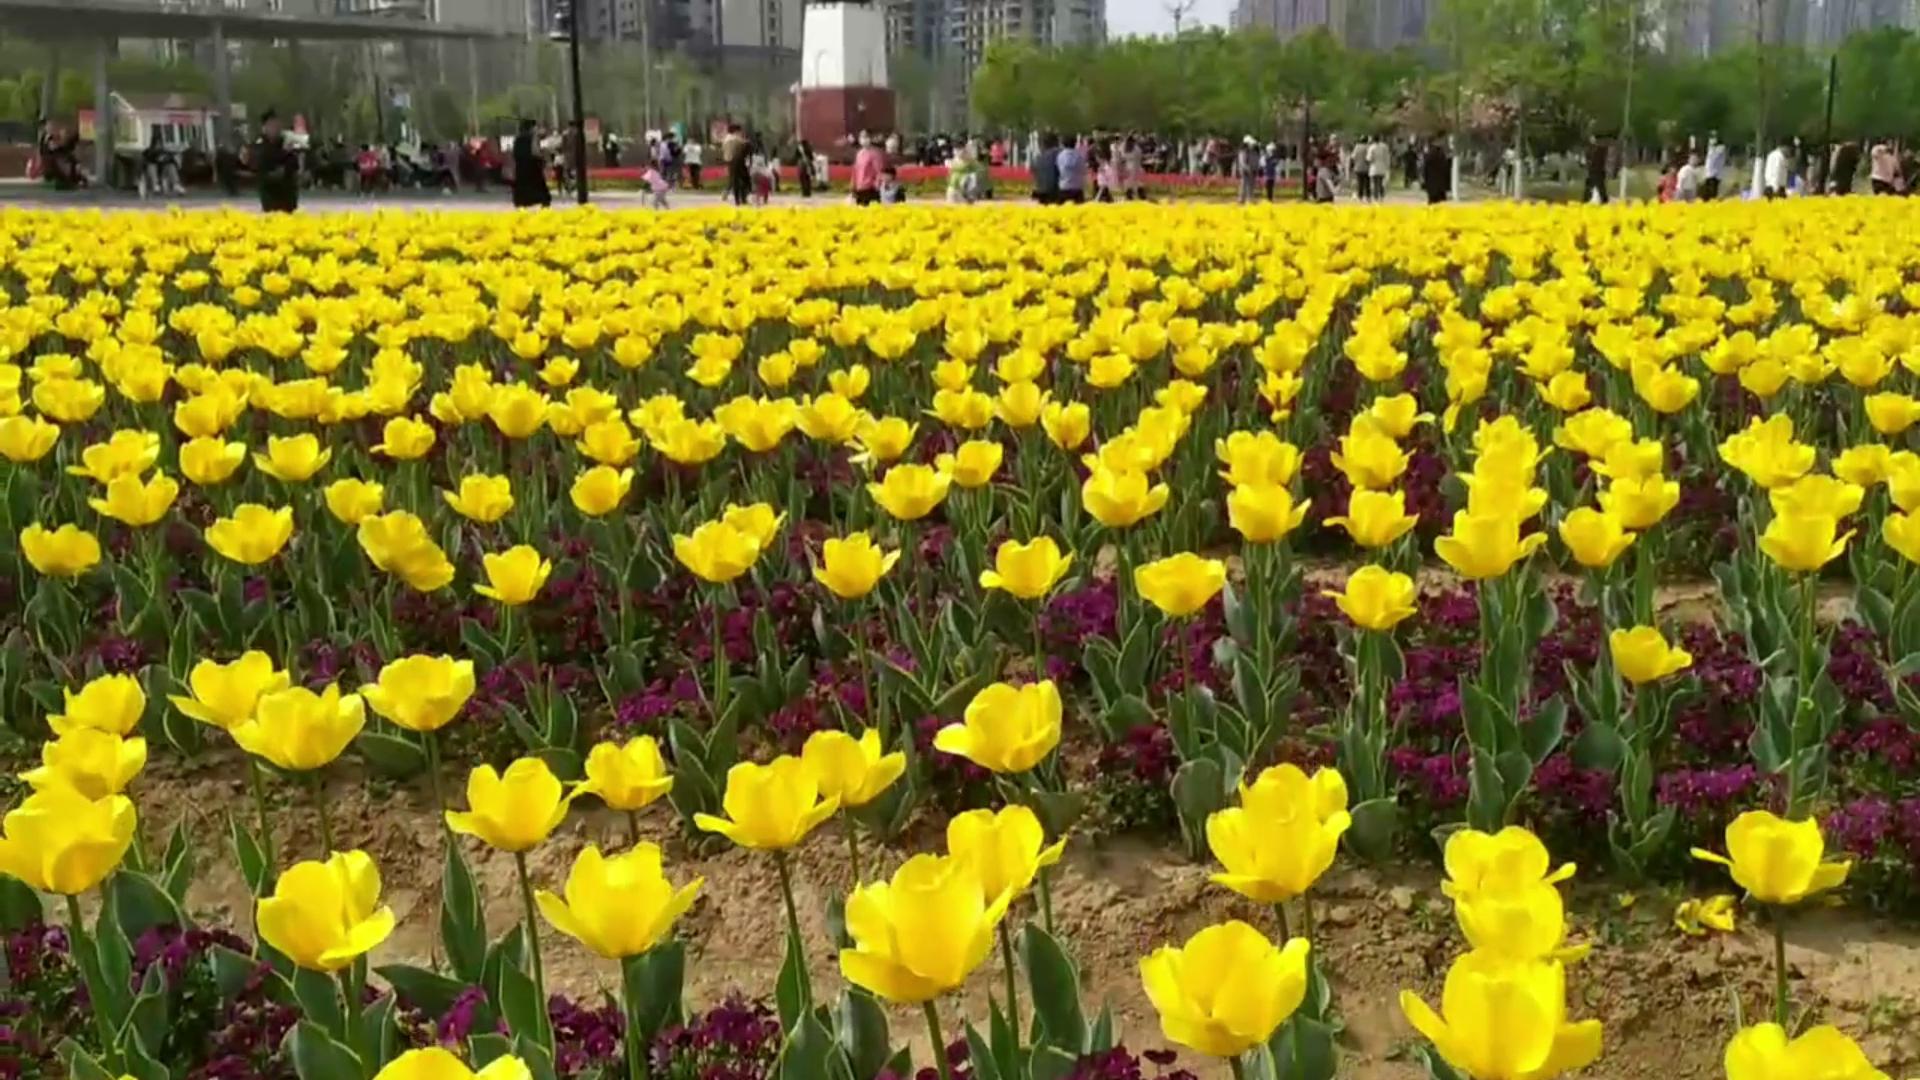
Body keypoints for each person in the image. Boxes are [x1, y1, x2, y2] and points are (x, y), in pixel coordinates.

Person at [252, 110, 300, 213]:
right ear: (264, 128)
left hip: (288, 193)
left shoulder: (286, 142)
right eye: (272, 125)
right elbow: (262, 163)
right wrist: (284, 153)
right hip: (269, 193)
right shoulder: (259, 144)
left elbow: (294, 164)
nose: (276, 128)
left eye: (277, 125)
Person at [511, 118, 551, 208]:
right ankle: (543, 204)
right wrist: (542, 159)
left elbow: (514, 153)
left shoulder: (518, 138)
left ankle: (522, 204)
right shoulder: (532, 137)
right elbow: (535, 151)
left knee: (522, 188)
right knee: (538, 187)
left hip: (521, 167)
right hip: (532, 166)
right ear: (531, 128)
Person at [140, 132, 181, 198]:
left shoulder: (165, 151)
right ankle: (156, 184)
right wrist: (156, 159)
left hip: (163, 172)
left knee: (171, 166)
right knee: (151, 166)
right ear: (153, 144)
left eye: (160, 144)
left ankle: (176, 184)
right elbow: (145, 163)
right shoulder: (147, 151)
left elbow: (174, 163)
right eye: (157, 144)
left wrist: (167, 158)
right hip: (152, 172)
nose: (158, 146)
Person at [852, 134, 886, 206]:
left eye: (866, 137)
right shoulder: (859, 153)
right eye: (862, 137)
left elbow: (879, 171)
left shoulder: (875, 153)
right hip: (860, 187)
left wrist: (877, 185)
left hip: (870, 188)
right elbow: (856, 170)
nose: (864, 140)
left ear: (871, 139)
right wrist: (853, 184)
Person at [721, 124, 750, 207]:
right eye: (739, 131)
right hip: (736, 161)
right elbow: (744, 144)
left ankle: (735, 197)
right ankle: (741, 199)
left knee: (733, 180)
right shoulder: (734, 139)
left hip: (729, 161)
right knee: (741, 180)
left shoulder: (726, 139)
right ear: (736, 131)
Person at [1420, 137, 1451, 205]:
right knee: (1440, 203)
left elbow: (1425, 169)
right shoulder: (1442, 154)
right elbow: (1446, 169)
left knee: (1432, 202)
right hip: (1440, 184)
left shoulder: (1429, 155)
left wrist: (1424, 179)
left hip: (1431, 183)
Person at [1031, 133, 1060, 204]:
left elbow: (1033, 171)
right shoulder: (1058, 154)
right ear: (1056, 143)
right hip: (1054, 191)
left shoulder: (1038, 158)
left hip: (1040, 190)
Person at [1057, 135, 1086, 204]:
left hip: (1064, 187)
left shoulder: (1060, 156)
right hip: (1077, 188)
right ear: (1075, 144)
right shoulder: (1079, 156)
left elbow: (1059, 170)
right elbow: (1083, 170)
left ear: (1063, 144)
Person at [1584, 136, 1610, 204]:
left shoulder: (1601, 148)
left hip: (1598, 170)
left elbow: (1603, 159)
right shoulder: (1589, 148)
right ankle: (1586, 200)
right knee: (1591, 186)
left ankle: (1604, 201)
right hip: (1593, 170)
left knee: (1600, 187)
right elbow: (1587, 158)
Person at [1702, 133, 1726, 200]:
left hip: (1715, 174)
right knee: (1707, 193)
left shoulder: (1720, 148)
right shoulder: (1711, 148)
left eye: (1713, 137)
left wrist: (1712, 149)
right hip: (1709, 174)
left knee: (1712, 193)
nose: (1711, 140)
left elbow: (1714, 158)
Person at [1235, 136, 1259, 204]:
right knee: (1244, 184)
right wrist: (1247, 168)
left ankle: (1250, 198)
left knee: (1252, 185)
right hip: (1245, 171)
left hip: (1252, 170)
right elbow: (1242, 162)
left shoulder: (1254, 152)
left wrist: (1255, 168)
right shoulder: (1243, 152)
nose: (1252, 145)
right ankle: (1241, 199)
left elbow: (1255, 161)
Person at [1367, 135, 1390, 202]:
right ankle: (1382, 196)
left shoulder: (1372, 147)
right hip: (1382, 167)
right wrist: (1387, 166)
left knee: (1374, 184)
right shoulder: (1384, 147)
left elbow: (1369, 158)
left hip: (1374, 168)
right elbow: (1387, 157)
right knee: (1381, 183)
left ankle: (1375, 197)